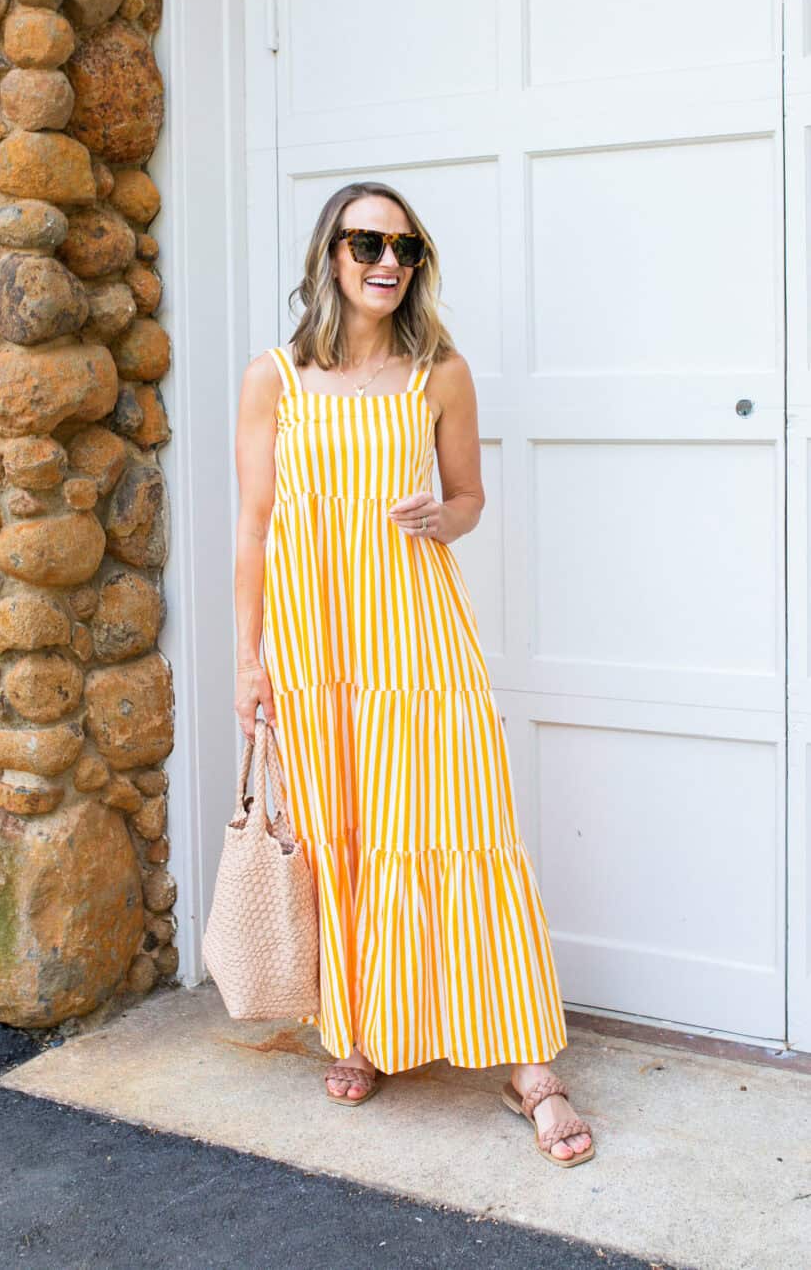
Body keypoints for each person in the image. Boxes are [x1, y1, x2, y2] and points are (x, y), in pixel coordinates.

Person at [233, 180, 595, 1167]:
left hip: (418, 638)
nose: (388, 261)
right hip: (317, 649)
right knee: (345, 832)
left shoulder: (440, 372)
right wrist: (247, 662)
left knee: (463, 827)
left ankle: (528, 1061)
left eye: (405, 248)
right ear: (331, 257)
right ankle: (362, 1031)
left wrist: (447, 516)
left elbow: (469, 494)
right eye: (366, 244)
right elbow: (255, 528)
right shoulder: (276, 379)